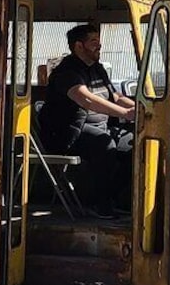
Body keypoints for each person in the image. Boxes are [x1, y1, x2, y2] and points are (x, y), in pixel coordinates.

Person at [38, 24, 135, 219]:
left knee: (136, 144)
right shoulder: (66, 71)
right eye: (93, 42)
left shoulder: (97, 69)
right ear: (79, 46)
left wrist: (142, 108)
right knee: (104, 145)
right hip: (68, 134)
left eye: (99, 42)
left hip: (102, 127)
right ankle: (99, 204)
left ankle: (118, 199)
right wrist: (125, 113)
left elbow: (114, 96)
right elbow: (86, 99)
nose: (99, 46)